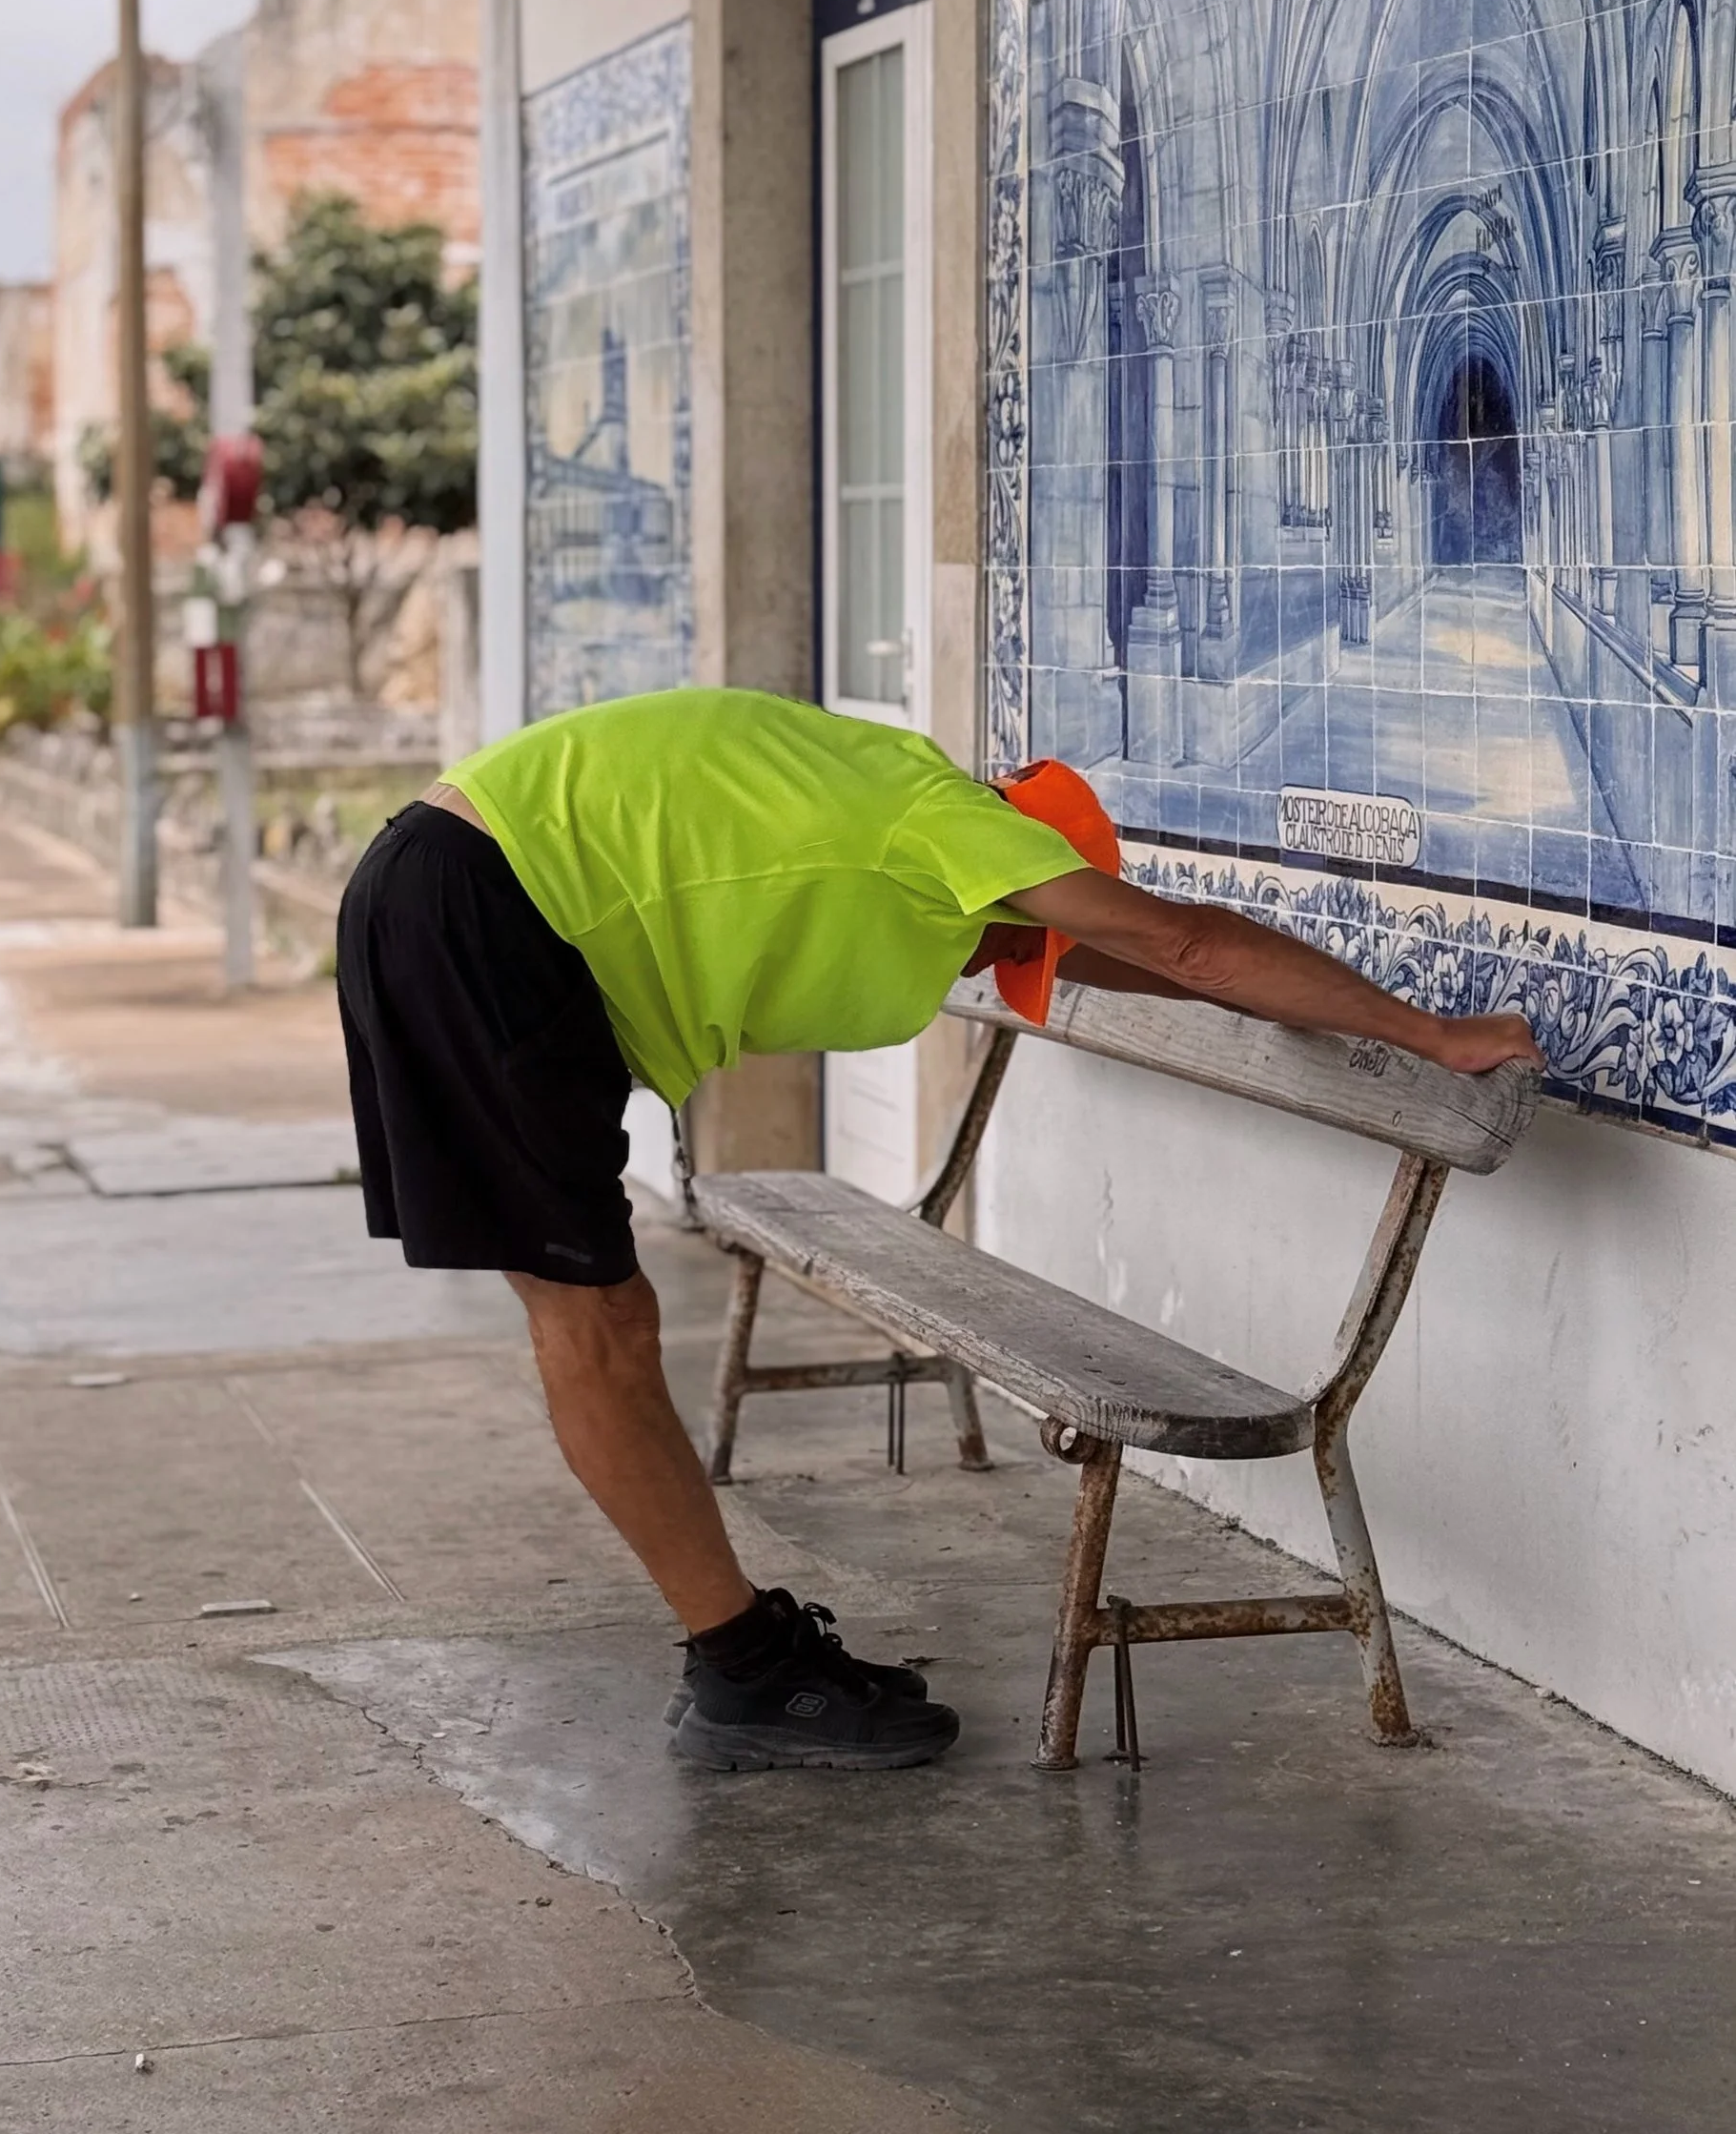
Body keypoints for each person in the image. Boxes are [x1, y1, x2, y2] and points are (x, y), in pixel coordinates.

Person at [336, 687, 1541, 1775]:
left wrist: (1240, 980)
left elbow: (1157, 965)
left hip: (469, 891)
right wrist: (1427, 1032)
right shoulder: (952, 832)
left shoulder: (903, 795)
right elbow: (1178, 941)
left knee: (592, 1307)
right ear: (1026, 870)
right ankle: (743, 1672)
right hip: (490, 914)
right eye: (1020, 940)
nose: (1000, 961)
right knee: (593, 1311)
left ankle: (744, 1653)